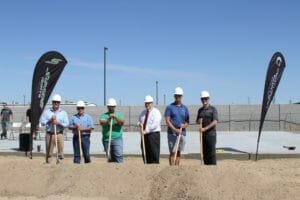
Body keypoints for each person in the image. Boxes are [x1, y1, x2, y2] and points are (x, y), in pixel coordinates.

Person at [164, 87, 189, 166]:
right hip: (172, 134)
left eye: (179, 95)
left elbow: (187, 122)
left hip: (182, 133)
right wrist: (175, 130)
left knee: (178, 152)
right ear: (174, 96)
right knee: (172, 152)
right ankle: (171, 169)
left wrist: (184, 125)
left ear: (181, 96)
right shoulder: (170, 107)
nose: (178, 97)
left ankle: (176, 169)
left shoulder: (185, 108)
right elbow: (167, 121)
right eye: (176, 95)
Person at [41, 94, 69, 163]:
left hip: (59, 134)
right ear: (52, 102)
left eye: (57, 102)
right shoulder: (47, 112)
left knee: (60, 150)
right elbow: (42, 122)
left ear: (59, 103)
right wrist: (50, 120)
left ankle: (59, 162)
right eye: (54, 102)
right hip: (49, 134)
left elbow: (67, 124)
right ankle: (49, 163)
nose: (56, 103)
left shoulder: (63, 113)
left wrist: (58, 123)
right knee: (49, 151)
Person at [196, 90, 218, 165]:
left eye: (206, 99)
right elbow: (197, 121)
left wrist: (205, 129)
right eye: (202, 99)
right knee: (204, 152)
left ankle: (213, 169)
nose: (204, 100)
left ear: (208, 99)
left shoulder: (213, 109)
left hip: (211, 135)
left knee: (211, 152)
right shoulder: (200, 110)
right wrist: (199, 121)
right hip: (203, 135)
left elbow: (215, 121)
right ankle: (206, 169)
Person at [138, 95, 162, 164]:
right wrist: (139, 124)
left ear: (152, 103)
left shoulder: (156, 112)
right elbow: (139, 120)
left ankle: (154, 166)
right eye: (146, 103)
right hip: (144, 135)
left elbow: (155, 124)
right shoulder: (143, 112)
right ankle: (146, 164)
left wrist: (146, 130)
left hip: (153, 135)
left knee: (154, 152)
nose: (147, 104)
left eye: (149, 103)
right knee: (145, 151)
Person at [100, 98, 125, 163]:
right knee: (109, 157)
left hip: (117, 139)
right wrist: (109, 119)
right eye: (110, 106)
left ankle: (120, 168)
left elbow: (121, 123)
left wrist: (115, 117)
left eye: (112, 106)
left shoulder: (120, 114)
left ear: (115, 106)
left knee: (118, 155)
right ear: (107, 107)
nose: (111, 108)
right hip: (106, 139)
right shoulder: (104, 115)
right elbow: (102, 123)